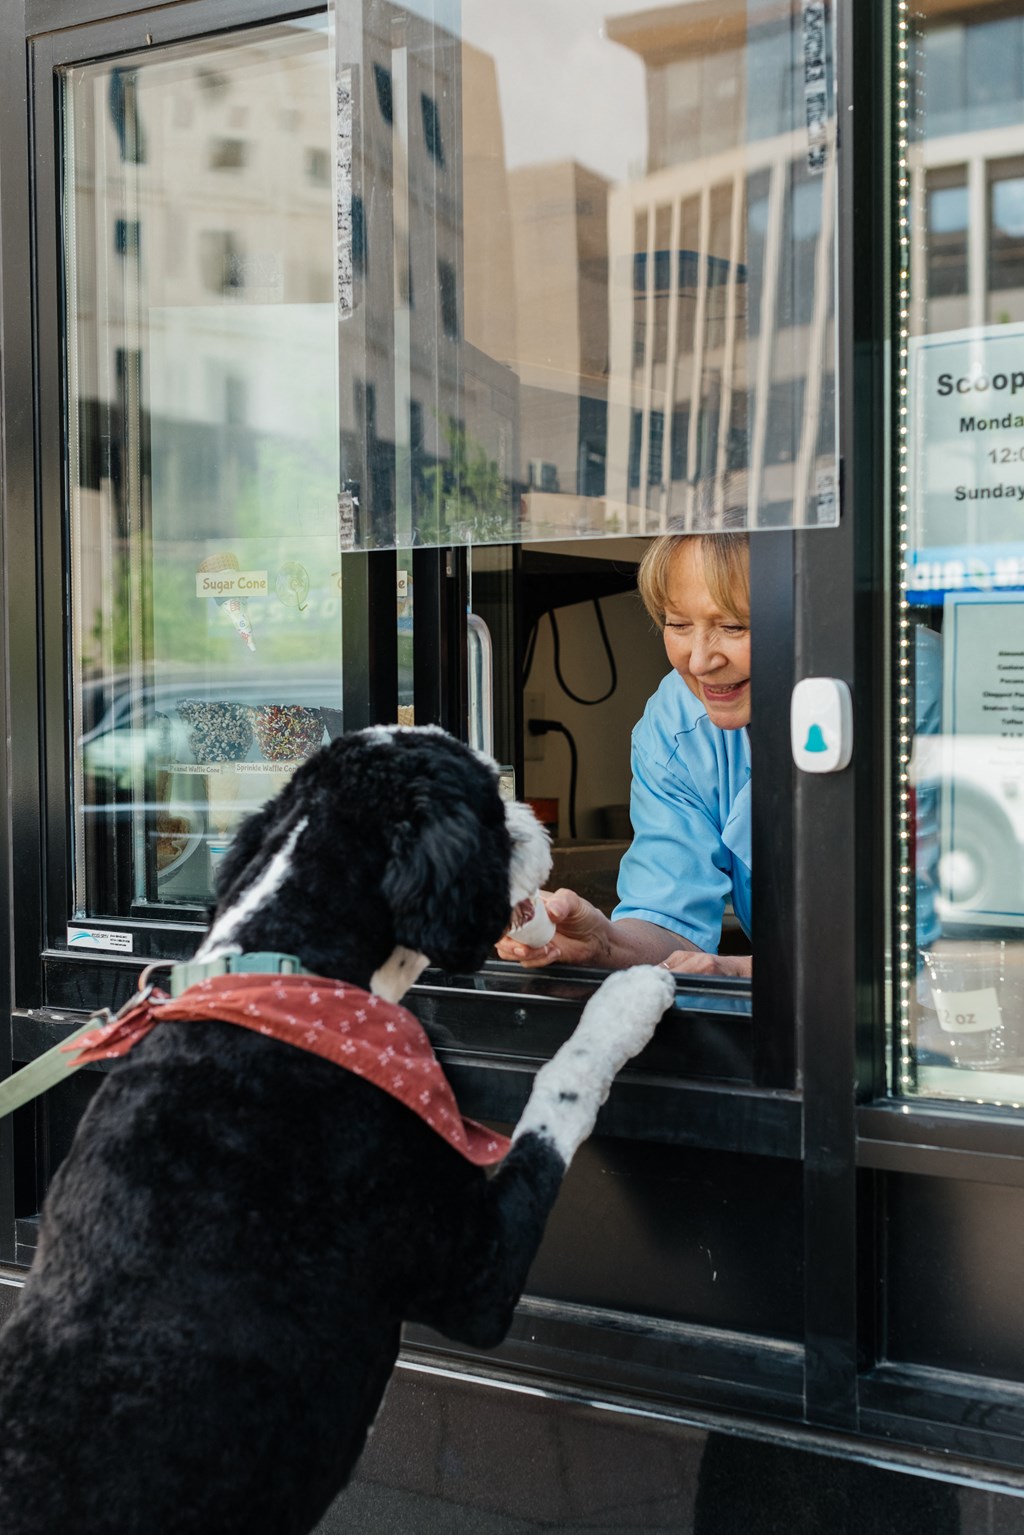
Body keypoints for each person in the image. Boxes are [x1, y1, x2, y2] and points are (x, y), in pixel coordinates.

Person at [498, 531, 753, 977]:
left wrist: (741, 971)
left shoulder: (908, 701)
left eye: (732, 626)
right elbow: (671, 922)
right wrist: (602, 942)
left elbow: (911, 950)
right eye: (677, 624)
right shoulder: (678, 724)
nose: (699, 661)